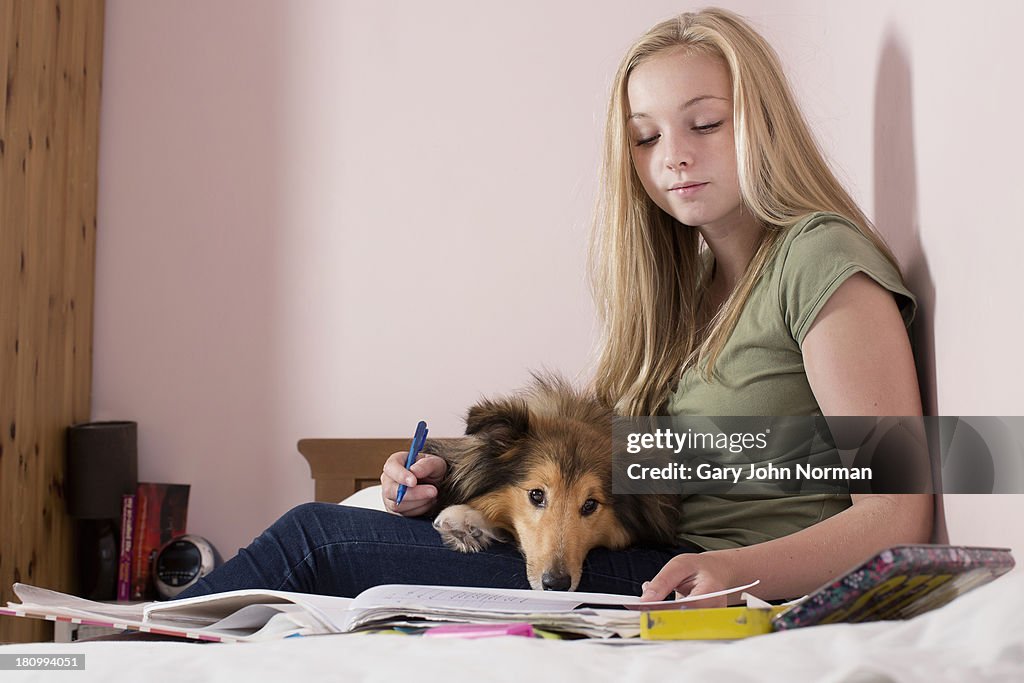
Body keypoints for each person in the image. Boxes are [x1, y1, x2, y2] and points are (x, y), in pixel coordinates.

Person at [179, 7, 931, 604]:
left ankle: (136, 651)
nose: (672, 155)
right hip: (645, 554)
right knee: (358, 518)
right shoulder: (689, 293)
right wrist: (446, 475)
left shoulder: (821, 260)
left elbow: (899, 517)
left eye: (705, 123)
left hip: (704, 579)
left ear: (762, 121)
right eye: (644, 137)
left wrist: (733, 571)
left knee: (317, 540)